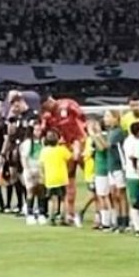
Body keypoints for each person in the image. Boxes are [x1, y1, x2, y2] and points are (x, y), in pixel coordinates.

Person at [39, 96, 87, 226]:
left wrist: (80, 141)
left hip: (80, 144)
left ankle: (102, 212)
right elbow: (44, 133)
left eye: (46, 106)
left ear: (50, 100)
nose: (47, 109)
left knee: (92, 178)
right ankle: (69, 213)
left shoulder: (69, 104)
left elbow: (82, 119)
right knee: (69, 181)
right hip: (64, 149)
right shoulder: (48, 117)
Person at [40, 130, 72, 225]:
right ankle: (62, 218)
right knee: (63, 199)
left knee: (51, 199)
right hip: (61, 177)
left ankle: (51, 218)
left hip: (50, 178)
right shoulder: (62, 149)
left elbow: (41, 165)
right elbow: (70, 157)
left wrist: (43, 175)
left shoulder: (44, 151)